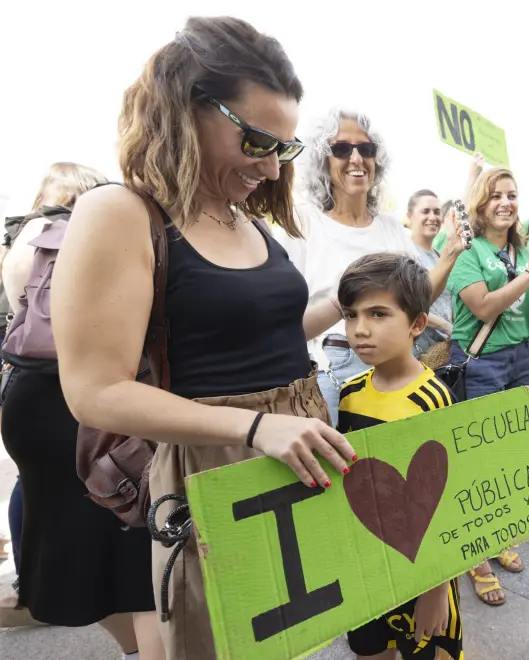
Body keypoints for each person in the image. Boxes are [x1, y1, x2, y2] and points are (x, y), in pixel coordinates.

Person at [49, 18, 359, 660]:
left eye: (284, 147)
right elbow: (93, 391)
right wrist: (254, 429)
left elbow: (257, 337)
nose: (271, 164)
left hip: (292, 450)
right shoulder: (122, 213)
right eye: (254, 139)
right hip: (211, 468)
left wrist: (341, 303)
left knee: (291, 641)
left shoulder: (241, 213)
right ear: (183, 110)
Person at [1, 163, 136, 639]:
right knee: (121, 526)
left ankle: (34, 584)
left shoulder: (22, 238)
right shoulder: (87, 235)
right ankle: (142, 645)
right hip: (78, 393)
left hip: (25, 392)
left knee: (44, 506)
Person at [277, 109, 465, 424]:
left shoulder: (392, 228)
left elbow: (416, 299)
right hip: (329, 366)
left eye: (365, 149)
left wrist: (449, 257)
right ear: (324, 160)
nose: (355, 158)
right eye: (341, 149)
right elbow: (281, 323)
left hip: (396, 364)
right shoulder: (300, 222)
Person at [333, 253, 463, 660]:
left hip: (423, 570)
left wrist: (436, 590)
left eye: (378, 314)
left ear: (417, 323)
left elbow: (447, 500)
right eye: (351, 315)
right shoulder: (350, 393)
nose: (360, 330)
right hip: (367, 565)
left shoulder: (433, 399)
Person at [445, 166, 529, 605]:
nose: (505, 202)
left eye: (512, 195)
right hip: (480, 362)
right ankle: (475, 558)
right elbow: (481, 305)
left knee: (506, 454)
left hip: (519, 360)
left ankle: (494, 535)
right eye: (495, 195)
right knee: (478, 459)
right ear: (480, 202)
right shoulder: (467, 249)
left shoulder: (522, 251)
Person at [406, 190, 454, 361]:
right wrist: (446, 327)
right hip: (418, 348)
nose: (432, 217)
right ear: (410, 216)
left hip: (442, 348)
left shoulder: (440, 256)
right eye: (425, 211)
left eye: (437, 212)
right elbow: (407, 303)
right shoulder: (405, 253)